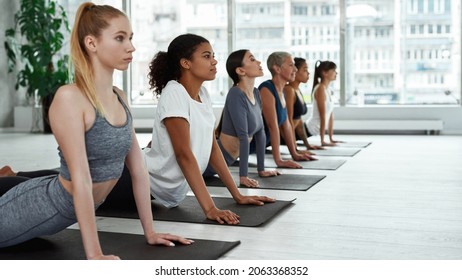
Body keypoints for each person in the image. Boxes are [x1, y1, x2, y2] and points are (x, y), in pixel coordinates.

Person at [0, 3, 191, 260]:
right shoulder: (70, 98)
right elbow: (81, 179)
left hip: (57, 209)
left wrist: (150, 232)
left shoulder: (119, 97)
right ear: (91, 43)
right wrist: (95, 255)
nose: (131, 47)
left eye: (131, 38)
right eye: (120, 38)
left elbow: (138, 170)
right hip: (37, 207)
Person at [144, 34, 275, 224]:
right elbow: (184, 155)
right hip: (142, 180)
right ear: (186, 63)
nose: (214, 61)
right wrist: (210, 208)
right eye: (206, 56)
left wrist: (237, 195)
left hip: (167, 191)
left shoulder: (203, 94)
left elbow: (212, 148)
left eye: (213, 55)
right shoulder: (174, 93)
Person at [202, 49, 281, 188]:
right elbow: (243, 137)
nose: (258, 62)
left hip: (226, 161)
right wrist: (243, 176)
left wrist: (261, 170)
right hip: (208, 162)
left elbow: (260, 133)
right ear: (240, 71)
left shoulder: (256, 93)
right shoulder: (235, 94)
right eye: (252, 59)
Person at [257, 51, 315, 169]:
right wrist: (279, 160)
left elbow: (286, 124)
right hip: (240, 149)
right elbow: (273, 126)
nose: (295, 69)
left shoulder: (282, 91)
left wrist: (294, 153)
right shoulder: (266, 89)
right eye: (291, 65)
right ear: (277, 69)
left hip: (258, 146)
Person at [284, 57, 323, 151]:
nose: (308, 73)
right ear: (295, 71)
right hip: (281, 136)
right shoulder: (289, 90)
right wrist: (295, 151)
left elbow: (298, 121)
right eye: (305, 69)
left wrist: (307, 145)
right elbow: (288, 122)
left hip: (290, 135)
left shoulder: (297, 90)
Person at [305, 60, 342, 146]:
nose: (336, 73)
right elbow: (322, 116)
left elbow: (330, 117)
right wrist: (322, 141)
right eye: (333, 70)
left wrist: (331, 139)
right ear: (324, 73)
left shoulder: (327, 89)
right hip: (309, 129)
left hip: (315, 130)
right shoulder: (320, 89)